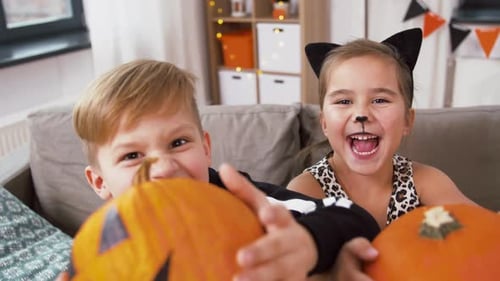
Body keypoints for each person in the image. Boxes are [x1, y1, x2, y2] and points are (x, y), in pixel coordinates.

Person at [61, 59, 380, 280]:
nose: (163, 166)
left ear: (206, 147)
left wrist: (308, 243)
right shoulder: (105, 240)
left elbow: (356, 218)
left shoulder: (242, 202)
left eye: (177, 143)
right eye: (132, 154)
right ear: (100, 181)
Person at [287, 28, 479, 280]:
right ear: (324, 123)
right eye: (344, 101)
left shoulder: (424, 181)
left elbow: (481, 230)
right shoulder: (307, 190)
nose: (361, 114)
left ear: (407, 121)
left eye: (380, 100)